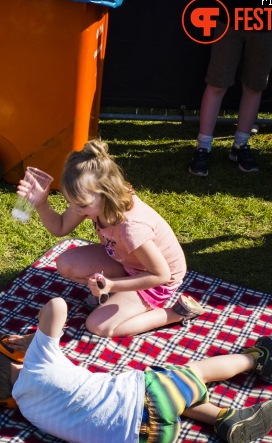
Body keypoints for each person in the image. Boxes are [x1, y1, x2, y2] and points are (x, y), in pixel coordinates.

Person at [0, 297, 272, 443]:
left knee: (167, 386)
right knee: (192, 372)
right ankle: (257, 359)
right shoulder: (35, 362)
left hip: (144, 442)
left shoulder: (26, 409)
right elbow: (56, 307)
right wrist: (34, 339)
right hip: (148, 403)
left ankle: (225, 419)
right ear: (10, 353)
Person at [18, 139, 204, 338]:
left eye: (80, 205)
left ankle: (174, 313)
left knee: (99, 326)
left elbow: (161, 275)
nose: (76, 209)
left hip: (156, 280)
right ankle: (119, 294)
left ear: (106, 193)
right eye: (71, 203)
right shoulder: (92, 200)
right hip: (126, 262)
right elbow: (60, 226)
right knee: (66, 264)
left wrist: (112, 285)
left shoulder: (131, 227)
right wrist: (41, 203)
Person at [189, 0, 272, 176]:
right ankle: (203, 147)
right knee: (217, 83)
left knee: (254, 86)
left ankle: (240, 145)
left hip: (267, 24)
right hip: (230, 22)